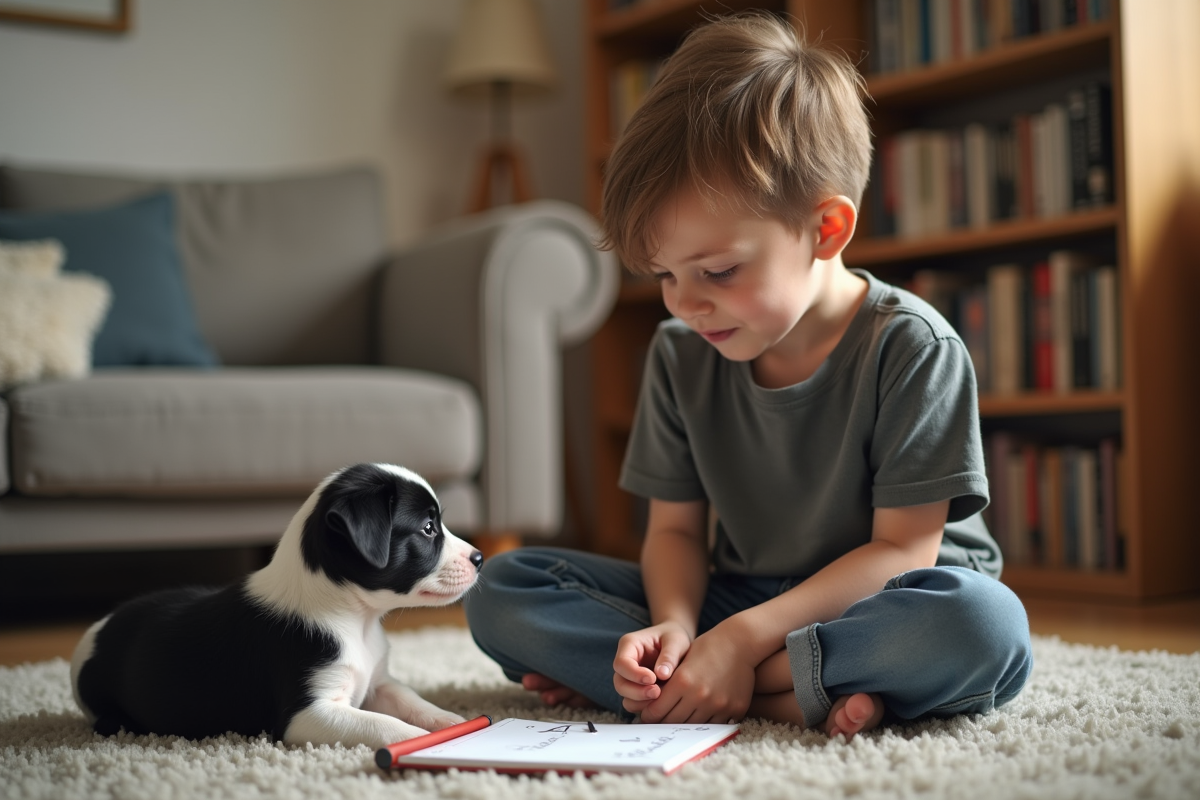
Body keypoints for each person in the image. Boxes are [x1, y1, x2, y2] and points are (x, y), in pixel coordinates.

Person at [463, 12, 1032, 740]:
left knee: (982, 627)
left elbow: (900, 552)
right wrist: (674, 627)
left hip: (885, 597)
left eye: (719, 271)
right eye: (666, 275)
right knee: (502, 590)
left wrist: (737, 644)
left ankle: (709, 689)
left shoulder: (914, 347)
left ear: (827, 228)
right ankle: (781, 691)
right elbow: (673, 532)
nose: (686, 303)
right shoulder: (677, 353)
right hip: (741, 595)